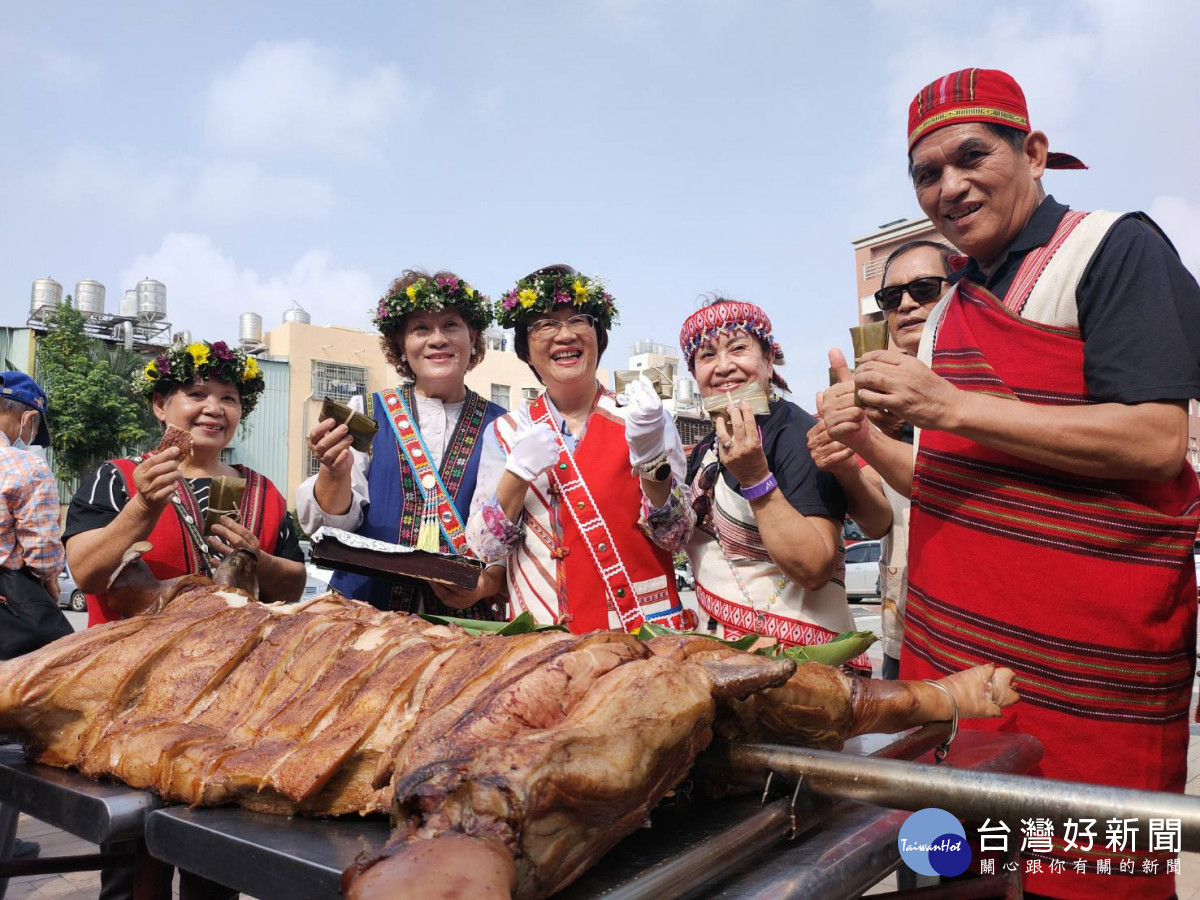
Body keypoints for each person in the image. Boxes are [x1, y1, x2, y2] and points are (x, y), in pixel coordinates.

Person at [822, 68, 1200, 898]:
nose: (950, 186)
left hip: (1090, 673)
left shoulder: (1113, 249)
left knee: (1087, 874)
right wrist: (864, 445)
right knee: (955, 873)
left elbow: (1156, 439)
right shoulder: (957, 303)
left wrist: (951, 404)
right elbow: (954, 486)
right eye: (927, 172)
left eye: (971, 156)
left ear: (1032, 152)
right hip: (955, 664)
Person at [466, 265, 693, 632]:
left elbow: (677, 536)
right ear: (525, 348)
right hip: (545, 641)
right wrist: (517, 474)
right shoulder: (505, 433)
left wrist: (652, 458)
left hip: (641, 633)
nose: (565, 335)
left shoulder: (644, 417)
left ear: (599, 337)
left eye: (579, 320)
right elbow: (483, 550)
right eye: (545, 324)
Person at [297, 269, 507, 617]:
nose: (436, 339)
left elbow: (510, 535)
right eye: (420, 328)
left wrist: (486, 584)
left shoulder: (502, 426)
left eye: (450, 325)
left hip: (466, 626)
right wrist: (333, 472)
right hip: (365, 616)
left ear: (472, 337)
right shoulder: (363, 412)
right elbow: (333, 527)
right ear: (400, 344)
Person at [678, 298, 869, 670]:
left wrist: (756, 479)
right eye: (706, 355)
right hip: (728, 662)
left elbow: (814, 569)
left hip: (802, 665)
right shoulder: (705, 449)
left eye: (738, 348)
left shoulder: (800, 434)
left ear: (768, 361)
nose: (723, 367)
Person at [65, 340, 306, 623]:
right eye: (196, 394)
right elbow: (86, 576)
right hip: (131, 661)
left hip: (237, 658)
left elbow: (293, 590)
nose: (214, 408)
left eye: (229, 398)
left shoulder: (264, 492)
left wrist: (259, 561)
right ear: (159, 405)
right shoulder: (115, 478)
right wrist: (143, 506)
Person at [808, 241, 955, 678]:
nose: (907, 304)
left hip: (974, 618)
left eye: (925, 289)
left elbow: (950, 481)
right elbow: (876, 524)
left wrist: (869, 437)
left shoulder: (979, 377)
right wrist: (847, 461)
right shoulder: (879, 399)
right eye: (892, 298)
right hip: (903, 628)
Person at [0, 372, 70, 862]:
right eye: (32, 427)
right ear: (26, 417)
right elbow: (44, 552)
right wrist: (48, 584)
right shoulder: (24, 467)